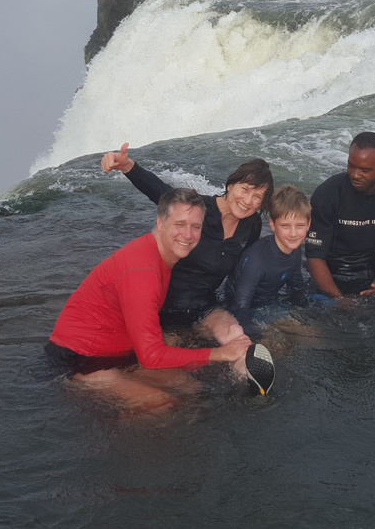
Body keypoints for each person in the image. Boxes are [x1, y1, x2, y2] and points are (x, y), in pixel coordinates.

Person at [45, 188, 254, 410]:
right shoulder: (143, 271)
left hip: (118, 353)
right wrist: (221, 353)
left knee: (191, 389)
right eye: (180, 224)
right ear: (160, 222)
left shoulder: (159, 254)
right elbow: (151, 356)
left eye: (196, 227)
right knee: (161, 404)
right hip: (79, 361)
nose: (188, 235)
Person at [100, 142, 272, 343]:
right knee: (170, 362)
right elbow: (162, 192)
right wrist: (128, 166)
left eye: (257, 196)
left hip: (205, 308)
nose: (248, 200)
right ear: (230, 185)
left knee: (237, 337)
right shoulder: (198, 207)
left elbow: (242, 272)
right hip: (164, 308)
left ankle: (252, 373)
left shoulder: (251, 225)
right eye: (245, 189)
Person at [305, 131, 375, 299]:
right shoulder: (327, 195)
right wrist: (338, 300)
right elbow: (314, 257)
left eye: (365, 170)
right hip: (331, 271)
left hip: (370, 268)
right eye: (351, 166)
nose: (355, 174)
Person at [224, 185, 309, 334]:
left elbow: (296, 286)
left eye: (300, 226)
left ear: (309, 224)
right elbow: (240, 304)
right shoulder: (257, 259)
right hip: (242, 309)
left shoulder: (294, 249)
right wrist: (255, 335)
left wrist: (305, 313)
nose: (294, 234)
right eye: (285, 226)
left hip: (270, 303)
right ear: (272, 224)